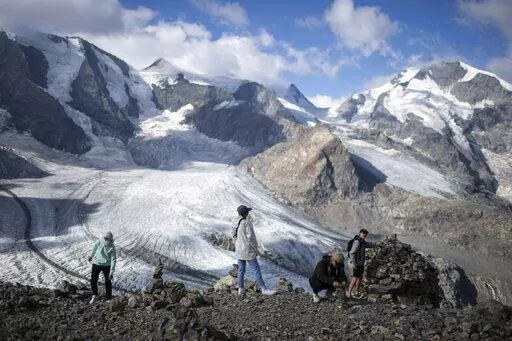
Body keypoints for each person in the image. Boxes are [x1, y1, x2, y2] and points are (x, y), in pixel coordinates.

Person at [232, 205, 275, 296]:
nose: (248, 213)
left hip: (239, 250)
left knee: (241, 270)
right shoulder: (246, 222)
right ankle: (264, 288)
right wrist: (255, 249)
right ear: (245, 213)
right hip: (248, 250)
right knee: (256, 270)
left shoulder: (235, 222)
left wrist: (237, 245)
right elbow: (251, 237)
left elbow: (233, 235)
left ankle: (241, 288)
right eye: (247, 212)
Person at [88, 231, 117, 304]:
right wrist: (91, 255)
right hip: (96, 263)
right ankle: (95, 294)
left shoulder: (112, 247)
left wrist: (111, 272)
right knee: (93, 279)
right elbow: (94, 248)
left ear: (110, 240)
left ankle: (108, 298)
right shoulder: (99, 241)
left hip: (106, 265)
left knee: (108, 281)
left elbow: (113, 259)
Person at [347, 228, 369, 298]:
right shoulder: (357, 242)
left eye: (366, 233)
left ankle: (356, 291)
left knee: (359, 277)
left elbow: (369, 245)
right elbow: (352, 253)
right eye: (363, 232)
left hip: (361, 263)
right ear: (360, 233)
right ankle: (349, 293)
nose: (364, 234)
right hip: (356, 263)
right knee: (354, 278)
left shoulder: (363, 242)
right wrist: (353, 262)